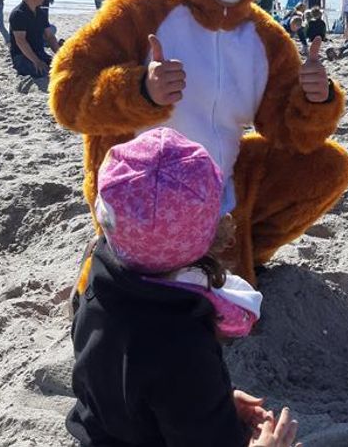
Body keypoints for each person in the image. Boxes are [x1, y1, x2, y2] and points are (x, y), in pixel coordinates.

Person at [50, 0, 348, 289]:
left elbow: (291, 132)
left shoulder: (264, 37)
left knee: (329, 166)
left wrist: (316, 99)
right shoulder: (138, 12)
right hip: (139, 196)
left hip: (222, 191)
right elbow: (66, 93)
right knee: (185, 316)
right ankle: (143, 257)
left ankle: (246, 247)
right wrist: (139, 91)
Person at [66, 128, 300, 447]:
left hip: (104, 431)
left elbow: (121, 371)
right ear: (209, 232)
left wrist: (211, 404)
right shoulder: (183, 343)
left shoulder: (97, 264)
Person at [9, 0, 60, 81]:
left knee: (63, 69)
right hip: (23, 57)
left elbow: (50, 37)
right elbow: (21, 41)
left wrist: (61, 55)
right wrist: (36, 61)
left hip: (40, 53)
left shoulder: (40, 13)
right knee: (45, 74)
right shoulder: (18, 14)